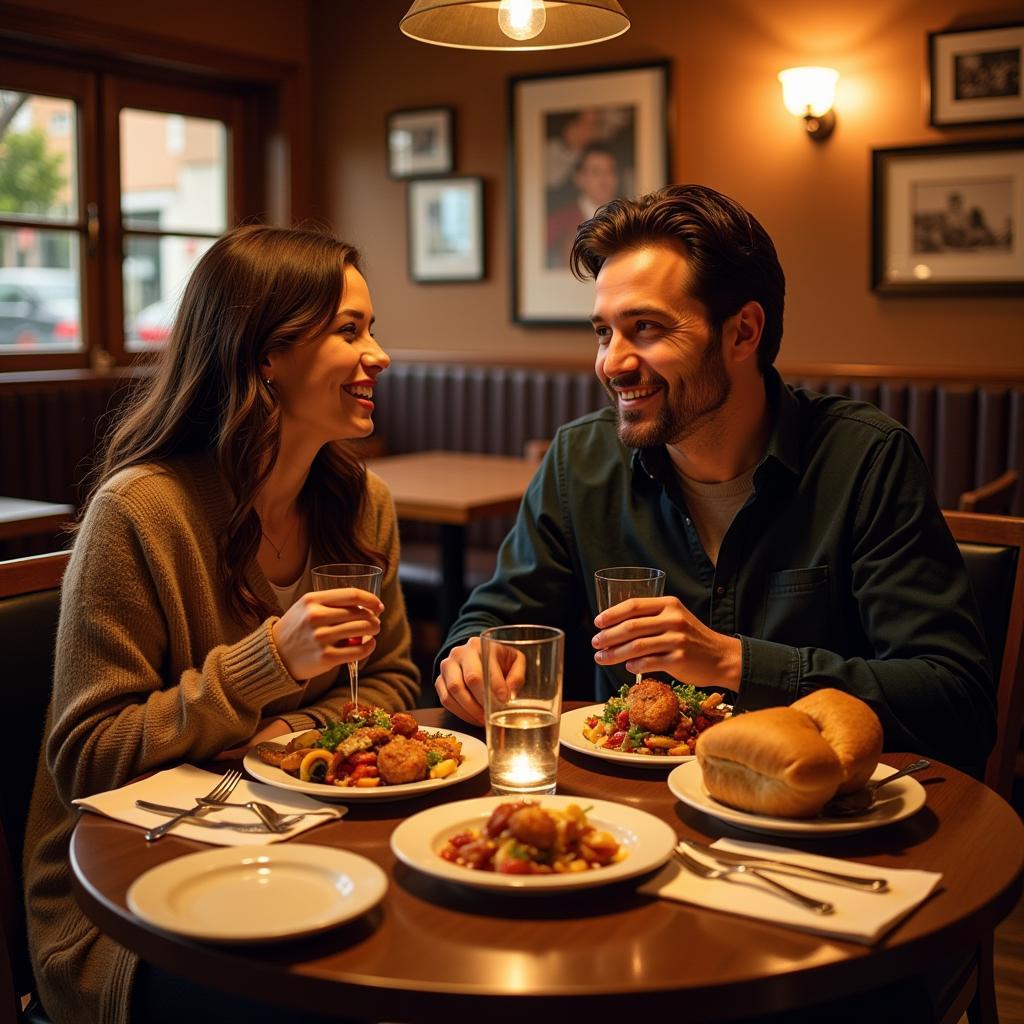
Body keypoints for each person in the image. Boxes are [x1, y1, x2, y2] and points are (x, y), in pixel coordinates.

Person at [435, 184, 996, 781]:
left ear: (742, 333)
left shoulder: (863, 460)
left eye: (645, 327)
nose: (612, 362)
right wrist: (471, 659)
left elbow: (956, 702)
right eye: (604, 332)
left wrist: (733, 660)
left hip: (812, 824)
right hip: (628, 820)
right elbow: (492, 624)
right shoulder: (580, 460)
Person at [24, 224, 419, 1024]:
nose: (378, 354)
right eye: (350, 330)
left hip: (302, 851)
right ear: (265, 354)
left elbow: (394, 681)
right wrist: (269, 661)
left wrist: (292, 737)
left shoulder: (361, 505)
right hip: (126, 902)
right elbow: (89, 759)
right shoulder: (142, 512)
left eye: (371, 329)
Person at [546, 143, 622, 268]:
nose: (604, 179)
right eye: (596, 172)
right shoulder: (559, 222)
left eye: (610, 171)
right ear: (579, 178)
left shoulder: (628, 219)